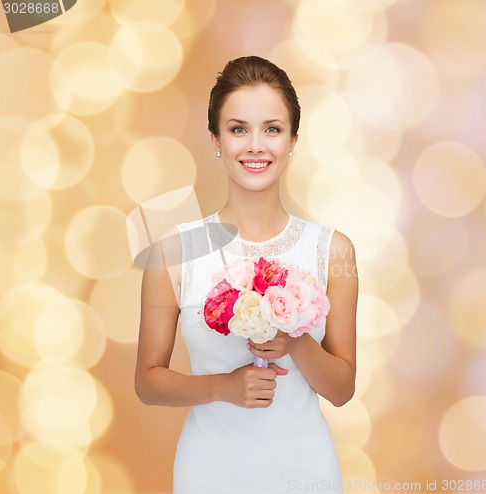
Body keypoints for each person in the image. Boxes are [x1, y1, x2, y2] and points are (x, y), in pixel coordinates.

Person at [135, 56, 358, 494]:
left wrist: (295, 340)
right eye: (238, 129)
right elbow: (147, 382)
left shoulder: (331, 251)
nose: (255, 146)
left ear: (293, 140)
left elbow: (342, 389)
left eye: (272, 129)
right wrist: (224, 387)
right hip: (209, 473)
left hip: (306, 473)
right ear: (216, 141)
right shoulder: (174, 252)